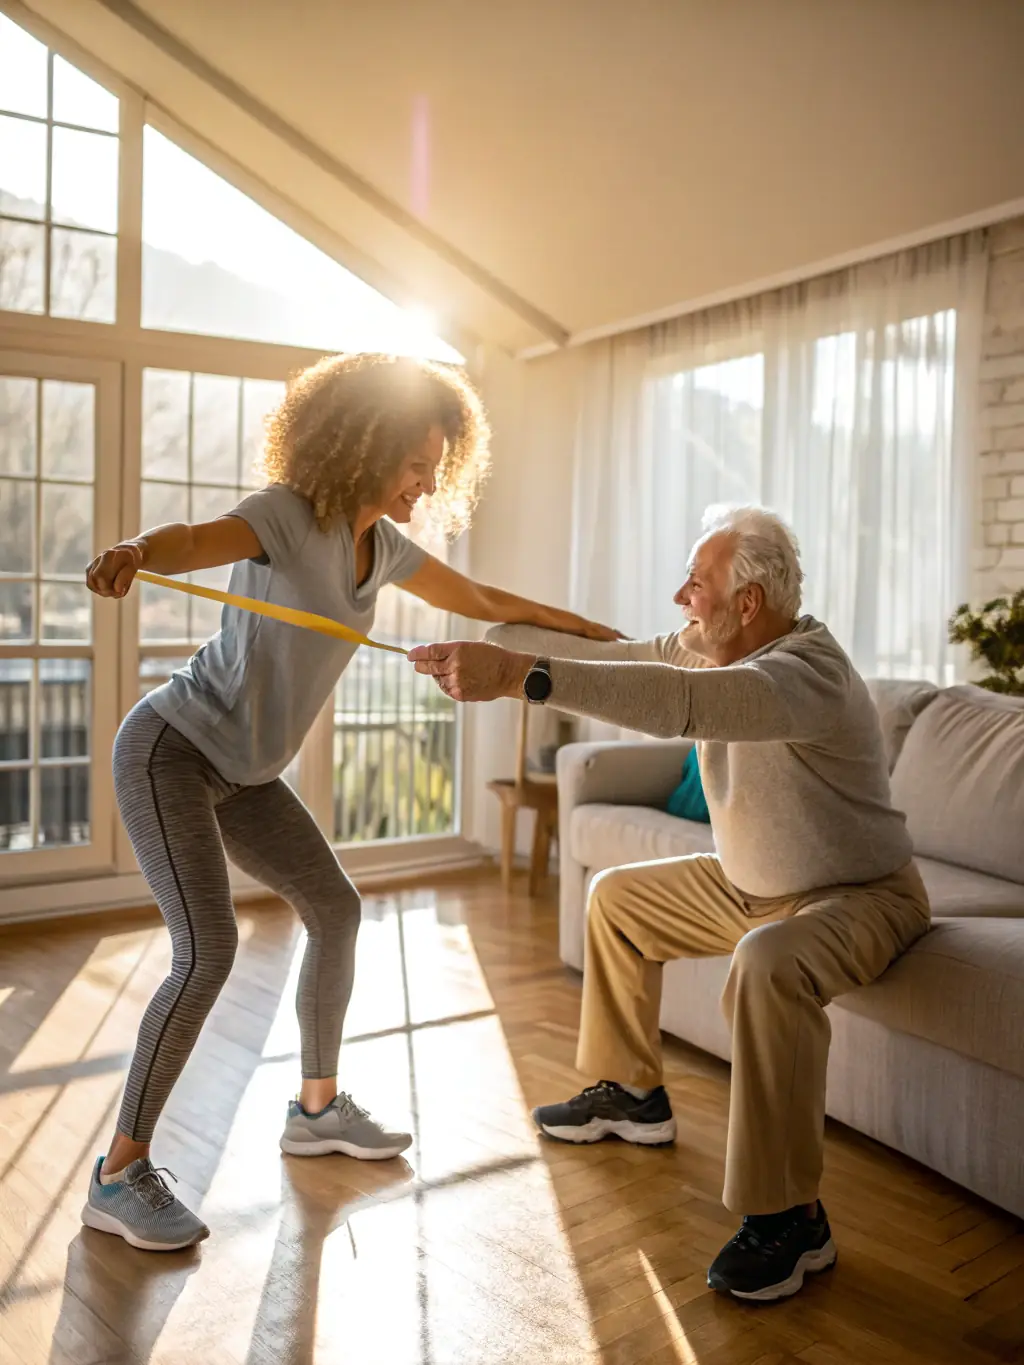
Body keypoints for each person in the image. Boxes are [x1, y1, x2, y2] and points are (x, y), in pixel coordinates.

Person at [82, 352, 620, 1253]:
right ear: (364, 446)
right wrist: (138, 552)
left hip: (247, 772)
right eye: (417, 461)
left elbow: (481, 599)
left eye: (437, 465)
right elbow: (192, 539)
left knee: (335, 907)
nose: (428, 481)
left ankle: (316, 1109)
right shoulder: (287, 517)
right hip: (173, 749)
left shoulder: (386, 546)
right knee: (208, 949)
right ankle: (118, 1172)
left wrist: (584, 630)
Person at [409, 503, 931, 1303]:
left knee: (768, 962)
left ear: (748, 602)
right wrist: (498, 643)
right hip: (753, 884)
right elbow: (626, 657)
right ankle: (631, 1093)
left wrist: (518, 679)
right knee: (617, 898)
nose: (681, 594)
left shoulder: (802, 675)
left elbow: (676, 704)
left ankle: (792, 1218)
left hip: (856, 897)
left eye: (698, 581)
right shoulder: (715, 644)